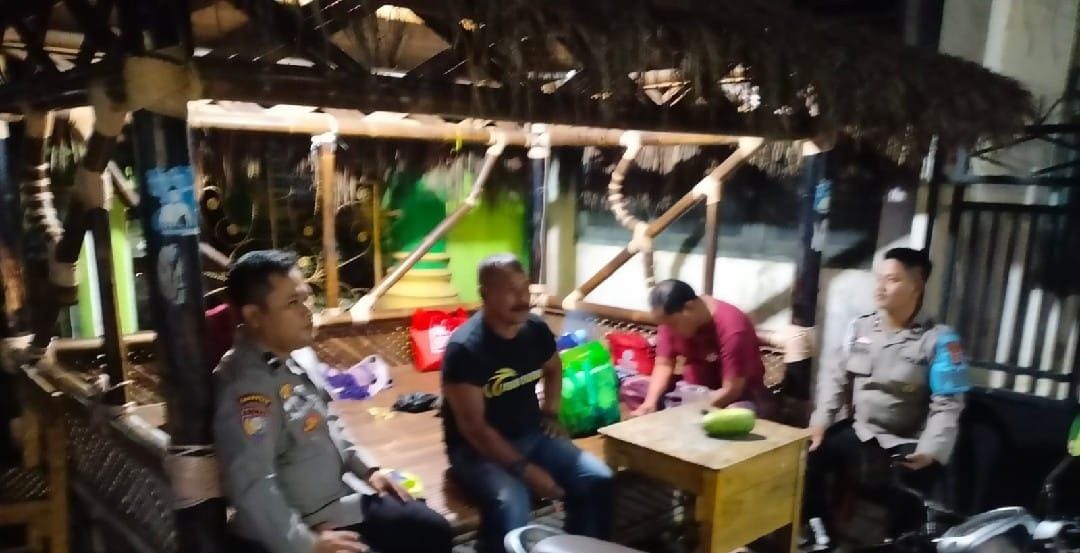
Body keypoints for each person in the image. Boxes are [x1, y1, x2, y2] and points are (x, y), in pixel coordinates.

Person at [213, 250, 452, 553]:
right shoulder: (245, 387)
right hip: (292, 528)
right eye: (292, 303)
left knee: (431, 528)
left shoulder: (299, 355)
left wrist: (369, 470)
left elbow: (329, 420)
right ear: (254, 316)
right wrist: (307, 544)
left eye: (306, 298)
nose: (307, 311)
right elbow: (253, 485)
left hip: (336, 502)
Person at [441, 253, 614, 553]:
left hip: (532, 435)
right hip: (476, 452)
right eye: (511, 290)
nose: (522, 298)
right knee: (512, 502)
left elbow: (554, 367)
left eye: (525, 288)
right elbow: (475, 430)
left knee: (598, 479)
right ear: (485, 294)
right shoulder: (465, 349)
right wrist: (527, 471)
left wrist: (551, 412)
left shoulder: (535, 330)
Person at [802, 248, 970, 550]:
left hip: (905, 440)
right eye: (878, 278)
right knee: (808, 453)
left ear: (916, 285)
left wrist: (930, 450)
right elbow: (835, 378)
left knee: (914, 495)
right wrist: (820, 422)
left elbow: (947, 405)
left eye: (892, 280)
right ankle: (820, 531)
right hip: (862, 431)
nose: (880, 287)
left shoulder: (942, 341)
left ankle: (897, 543)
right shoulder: (860, 328)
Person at [630, 279, 773, 418]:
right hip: (691, 392)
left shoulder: (732, 328)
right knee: (632, 387)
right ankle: (670, 412)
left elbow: (732, 389)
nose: (669, 330)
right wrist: (650, 402)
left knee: (735, 414)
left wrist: (692, 412)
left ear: (689, 308)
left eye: (673, 324)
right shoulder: (669, 321)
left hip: (733, 398)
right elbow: (664, 364)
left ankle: (675, 415)